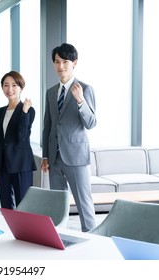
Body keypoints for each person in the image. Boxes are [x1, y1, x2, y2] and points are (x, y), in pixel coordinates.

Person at [41, 43, 97, 232]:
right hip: (54, 157)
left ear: (74, 63)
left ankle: (91, 237)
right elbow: (47, 125)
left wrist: (80, 100)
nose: (61, 67)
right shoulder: (50, 92)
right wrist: (46, 156)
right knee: (57, 203)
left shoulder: (86, 89)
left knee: (83, 201)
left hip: (76, 156)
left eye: (65, 62)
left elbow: (91, 123)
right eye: (57, 62)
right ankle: (57, 237)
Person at [0, 71, 37, 209]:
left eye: (14, 85)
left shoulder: (28, 110)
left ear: (21, 87)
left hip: (21, 165)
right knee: (5, 205)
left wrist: (24, 112)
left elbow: (22, 137)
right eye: (6, 85)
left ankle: (25, 231)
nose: (10, 89)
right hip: (3, 166)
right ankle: (9, 230)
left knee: (23, 205)